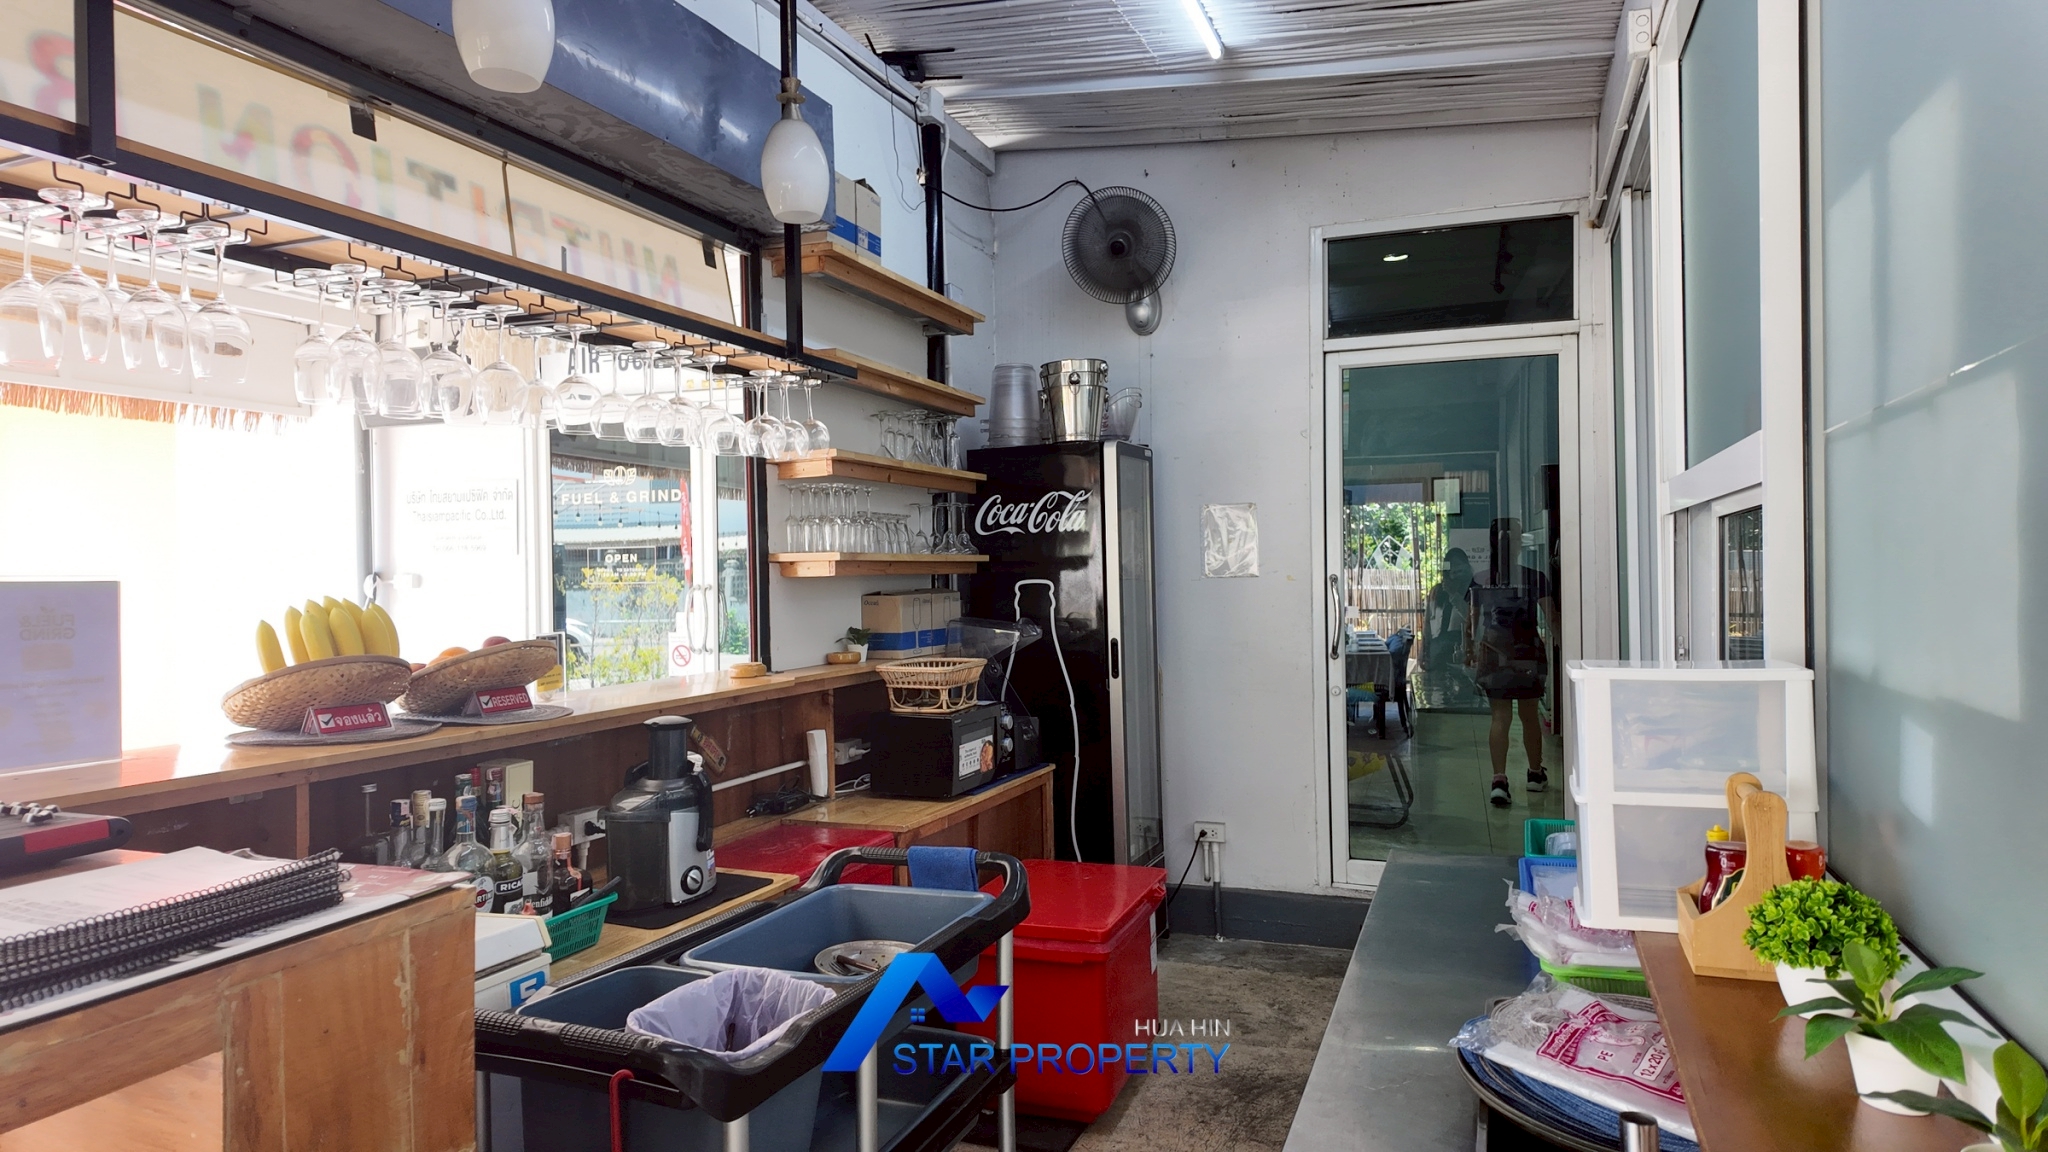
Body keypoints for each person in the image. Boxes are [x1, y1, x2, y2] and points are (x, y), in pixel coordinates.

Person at [1463, 519, 1557, 808]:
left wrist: (1469, 650)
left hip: (1494, 652)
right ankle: (1534, 774)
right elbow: (1552, 618)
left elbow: (1471, 622)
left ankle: (1499, 781)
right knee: (1529, 715)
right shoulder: (1535, 577)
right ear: (1519, 544)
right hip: (1527, 652)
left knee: (1500, 717)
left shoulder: (1481, 579)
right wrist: (1566, 649)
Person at [1419, 547, 1475, 706]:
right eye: (1452, 567)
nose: (1455, 572)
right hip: (1437, 651)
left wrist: (1454, 595)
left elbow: (1472, 619)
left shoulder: (1472, 591)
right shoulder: (1437, 591)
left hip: (1460, 651)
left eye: (1459, 567)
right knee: (1437, 697)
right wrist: (1423, 651)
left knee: (1462, 700)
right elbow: (1428, 624)